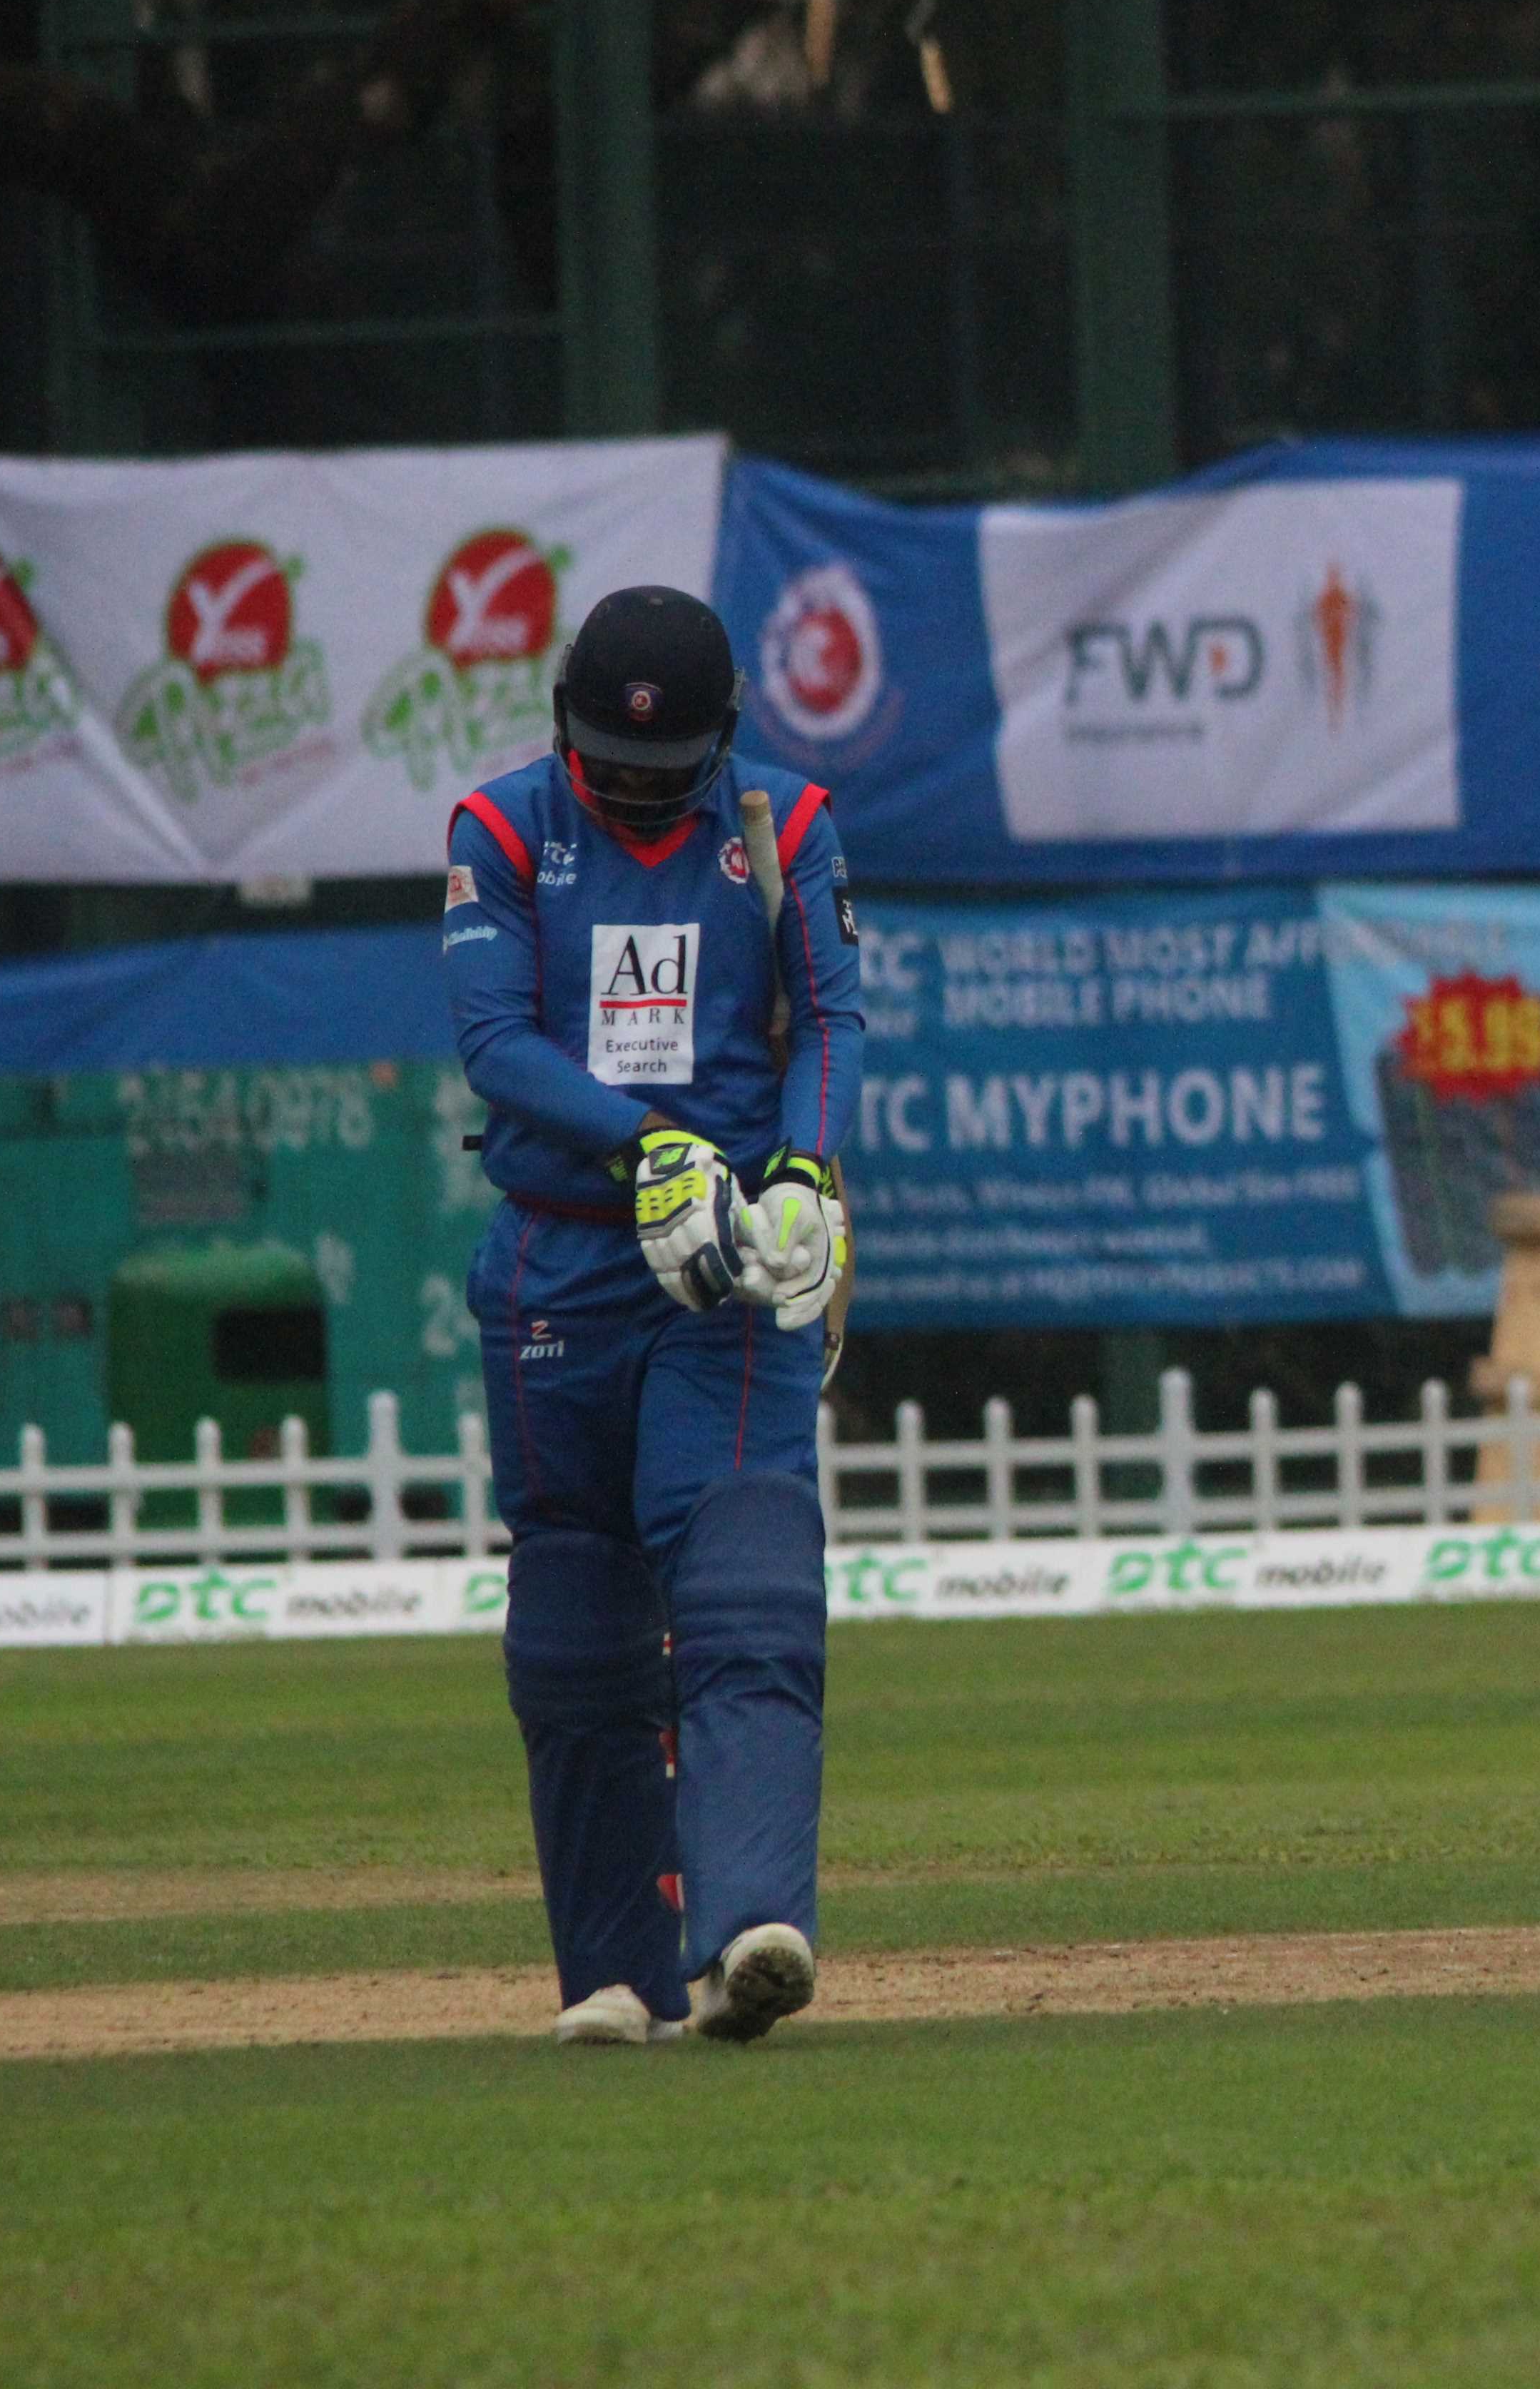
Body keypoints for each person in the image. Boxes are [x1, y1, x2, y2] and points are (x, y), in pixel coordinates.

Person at [440, 583, 862, 2046]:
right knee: (572, 1618)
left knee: (742, 1566)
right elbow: (495, 1043)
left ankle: (749, 1921)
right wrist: (646, 1147)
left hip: (725, 1267)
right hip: (560, 1257)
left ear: (722, 742)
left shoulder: (780, 827)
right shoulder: (501, 830)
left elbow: (831, 1019)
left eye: (659, 773)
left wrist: (802, 1174)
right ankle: (615, 1979)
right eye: (603, 765)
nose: (626, 793)